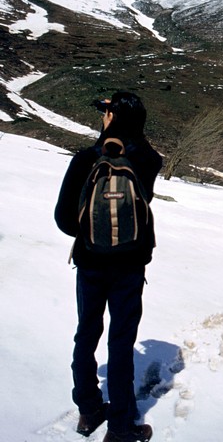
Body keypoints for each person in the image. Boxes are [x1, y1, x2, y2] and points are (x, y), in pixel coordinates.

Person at [55, 91, 162, 442]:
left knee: (86, 333)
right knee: (121, 341)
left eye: (106, 113)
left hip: (90, 264)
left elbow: (64, 220)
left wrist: (91, 231)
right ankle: (119, 425)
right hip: (129, 266)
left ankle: (88, 410)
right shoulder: (146, 160)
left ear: (112, 117)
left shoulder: (86, 158)